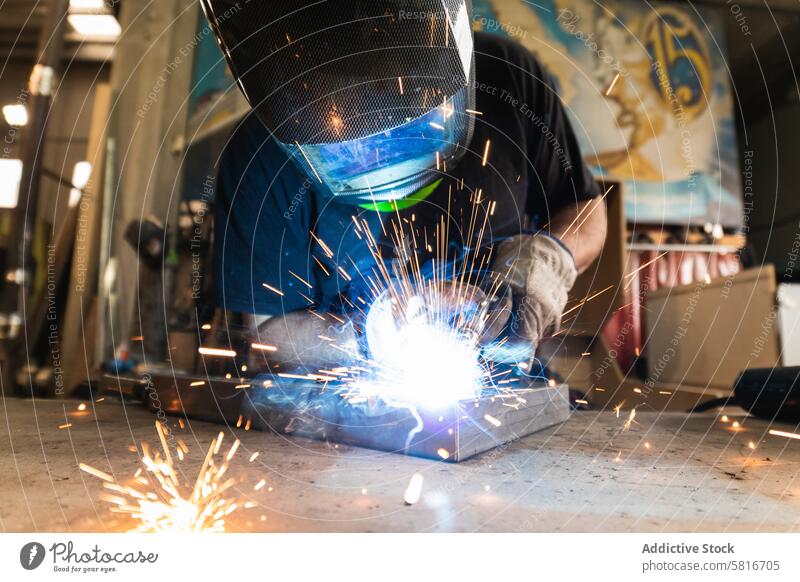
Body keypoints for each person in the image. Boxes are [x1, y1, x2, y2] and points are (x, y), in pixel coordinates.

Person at [202, 0, 606, 371]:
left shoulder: (509, 80)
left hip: (507, 392)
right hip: (335, 427)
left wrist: (538, 271)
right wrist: (374, 331)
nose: (377, 156)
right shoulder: (260, 151)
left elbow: (585, 210)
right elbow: (263, 341)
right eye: (349, 143)